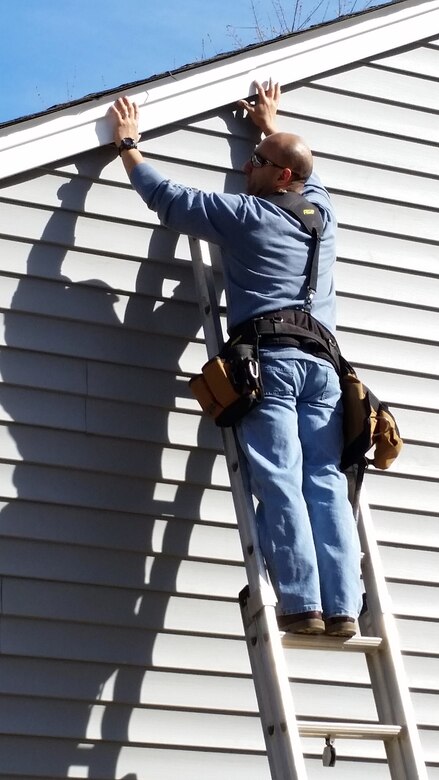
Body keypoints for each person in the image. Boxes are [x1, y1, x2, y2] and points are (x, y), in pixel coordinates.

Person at [109, 81, 362, 637]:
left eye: (258, 162)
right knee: (324, 479)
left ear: (281, 178)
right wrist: (270, 125)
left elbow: (171, 200)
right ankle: (343, 605)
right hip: (324, 367)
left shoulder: (250, 216)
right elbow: (307, 168)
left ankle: (301, 605)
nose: (247, 167)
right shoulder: (323, 211)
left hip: (272, 361)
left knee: (278, 478)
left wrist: (130, 145)